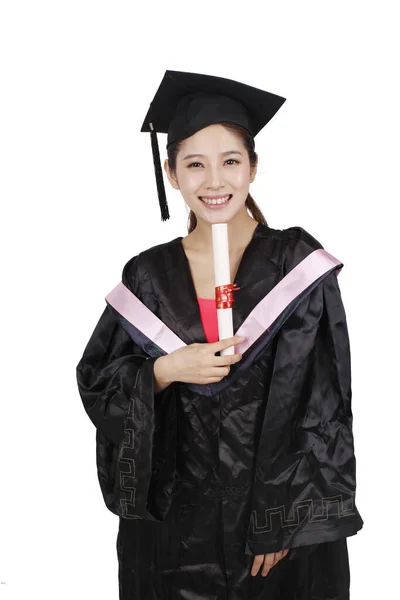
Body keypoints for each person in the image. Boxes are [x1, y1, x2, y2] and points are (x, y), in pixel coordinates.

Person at [76, 70, 363, 600]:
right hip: (174, 529)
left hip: (276, 525)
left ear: (253, 167)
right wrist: (164, 371)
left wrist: (279, 518)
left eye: (230, 161)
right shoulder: (147, 277)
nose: (214, 181)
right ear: (171, 174)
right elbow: (98, 381)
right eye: (194, 164)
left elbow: (321, 403)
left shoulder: (295, 266)